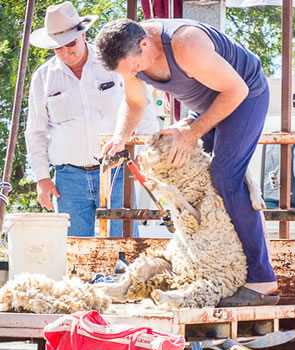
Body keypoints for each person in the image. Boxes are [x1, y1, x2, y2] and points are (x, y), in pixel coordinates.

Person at [95, 18, 279, 306]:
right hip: (207, 105)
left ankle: (262, 277)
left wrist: (193, 132)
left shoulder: (186, 43)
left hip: (245, 96)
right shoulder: (132, 51)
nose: (133, 74)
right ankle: (209, 267)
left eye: (133, 68)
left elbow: (236, 91)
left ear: (145, 44)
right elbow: (134, 102)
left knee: (225, 176)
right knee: (188, 176)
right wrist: (121, 137)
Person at [25, 2, 159, 237]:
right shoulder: (42, 78)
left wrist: (143, 154)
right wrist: (42, 178)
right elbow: (35, 131)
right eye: (58, 47)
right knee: (74, 255)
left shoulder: (113, 63)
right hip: (68, 178)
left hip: (117, 172)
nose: (66, 51)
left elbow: (143, 107)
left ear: (83, 35)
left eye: (70, 43)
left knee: (123, 247)